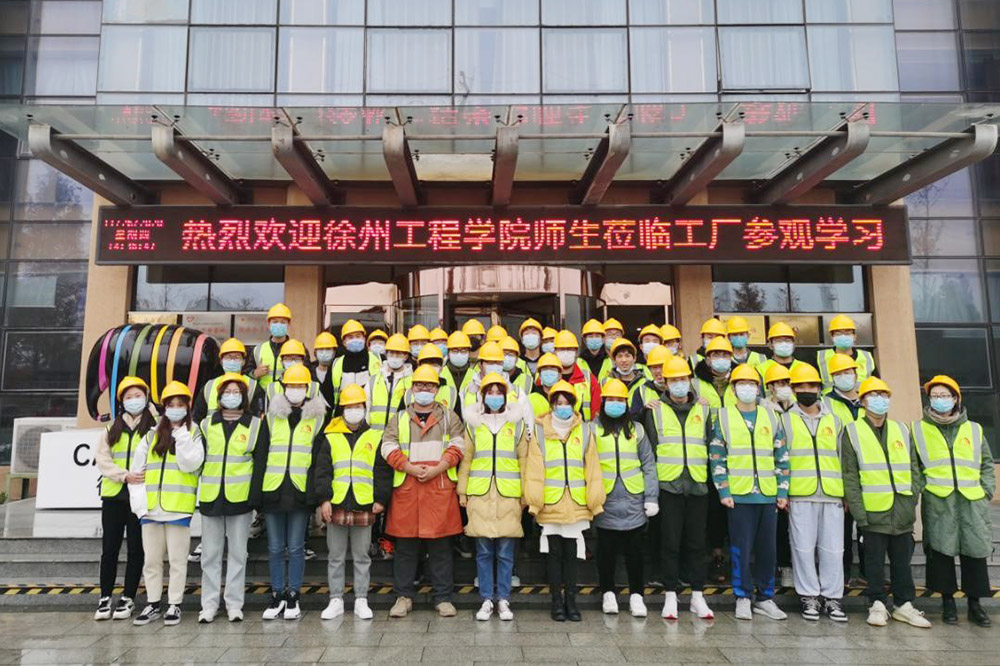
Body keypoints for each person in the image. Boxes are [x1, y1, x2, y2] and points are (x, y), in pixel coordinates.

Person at [841, 377, 929, 628]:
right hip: (872, 510)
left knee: (902, 562)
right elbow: (850, 475)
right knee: (874, 563)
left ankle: (904, 605)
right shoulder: (852, 431)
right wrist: (859, 512)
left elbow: (914, 466)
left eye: (883, 395)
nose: (879, 400)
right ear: (863, 401)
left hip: (902, 509)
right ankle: (877, 603)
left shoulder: (901, 429)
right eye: (873, 395)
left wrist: (912, 496)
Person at [382, 365, 465, 618]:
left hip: (438, 488)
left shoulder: (449, 417)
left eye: (429, 385)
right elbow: (387, 446)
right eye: (419, 385)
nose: (424, 389)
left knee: (441, 548)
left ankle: (443, 598)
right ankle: (403, 597)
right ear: (412, 388)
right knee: (405, 548)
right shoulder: (399, 418)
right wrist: (407, 467)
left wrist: (438, 468)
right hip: (408, 488)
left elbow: (458, 446)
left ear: (437, 389)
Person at [710, 364, 790, 622]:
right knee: (740, 550)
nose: (747, 388)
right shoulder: (723, 417)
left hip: (767, 494)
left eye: (752, 384)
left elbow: (781, 456)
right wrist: (723, 489)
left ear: (759, 389)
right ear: (733, 389)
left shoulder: (771, 417)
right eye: (741, 384)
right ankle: (743, 596)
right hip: (739, 495)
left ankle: (765, 597)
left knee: (768, 550)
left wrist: (782, 490)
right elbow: (717, 456)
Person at [913, 375, 994, 627]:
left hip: (971, 501)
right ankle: (947, 602)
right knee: (940, 552)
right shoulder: (918, 429)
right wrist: (925, 489)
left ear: (956, 398)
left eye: (945, 395)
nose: (940, 400)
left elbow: (987, 463)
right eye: (935, 396)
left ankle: (975, 604)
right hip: (939, 501)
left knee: (974, 552)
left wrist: (986, 490)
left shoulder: (974, 429)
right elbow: (914, 466)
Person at [524, 380, 606, 622]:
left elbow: (593, 469)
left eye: (566, 403)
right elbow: (534, 470)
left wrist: (595, 501)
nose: (562, 407)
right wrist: (534, 501)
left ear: (573, 404)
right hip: (550, 501)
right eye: (558, 403)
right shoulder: (539, 431)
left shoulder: (585, 431)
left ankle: (571, 600)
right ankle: (556, 601)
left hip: (576, 502)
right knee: (554, 553)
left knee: (572, 554)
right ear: (552, 405)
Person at [253, 363, 327, 621]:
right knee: (274, 547)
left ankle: (294, 595)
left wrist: (315, 493)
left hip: (300, 491)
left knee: (296, 547)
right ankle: (277, 594)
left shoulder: (317, 418)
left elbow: (318, 459)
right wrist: (257, 492)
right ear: (283, 388)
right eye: (291, 385)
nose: (295, 390)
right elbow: (261, 454)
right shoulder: (271, 417)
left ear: (308, 388)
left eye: (300, 386)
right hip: (273, 489)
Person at [313, 384, 392, 621]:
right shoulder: (330, 436)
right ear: (342, 409)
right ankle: (336, 599)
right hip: (336, 503)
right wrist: (324, 499)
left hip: (363, 502)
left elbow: (382, 471)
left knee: (362, 556)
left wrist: (381, 499)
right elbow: (322, 471)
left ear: (365, 408)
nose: (354, 410)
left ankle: (361, 599)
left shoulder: (375, 436)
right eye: (349, 406)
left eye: (358, 406)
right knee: (335, 556)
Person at [128, 381, 204, 626]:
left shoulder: (194, 433)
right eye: (171, 405)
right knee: (151, 561)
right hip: (150, 510)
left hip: (178, 509)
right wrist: (140, 507)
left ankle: (174, 604)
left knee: (178, 561)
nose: (175, 409)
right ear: (164, 407)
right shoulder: (151, 435)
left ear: (187, 407)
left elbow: (191, 464)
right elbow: (136, 472)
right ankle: (152, 604)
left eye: (180, 405)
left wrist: (181, 437)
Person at [644, 357, 714, 620]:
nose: (678, 384)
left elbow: (710, 443)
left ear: (690, 380)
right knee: (670, 543)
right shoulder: (654, 410)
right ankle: (670, 595)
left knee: (697, 544)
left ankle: (697, 595)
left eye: (682, 379)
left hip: (697, 485)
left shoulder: (703, 410)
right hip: (668, 486)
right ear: (665, 383)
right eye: (673, 380)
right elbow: (650, 451)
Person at [458, 373, 529, 621]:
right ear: (483, 395)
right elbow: (466, 458)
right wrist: (463, 491)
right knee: (484, 552)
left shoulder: (517, 424)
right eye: (490, 392)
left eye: (499, 392)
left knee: (506, 553)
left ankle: (504, 599)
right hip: (480, 493)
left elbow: (524, 459)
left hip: (509, 494)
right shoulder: (473, 424)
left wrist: (525, 493)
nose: (495, 396)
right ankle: (487, 599)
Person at [197, 373, 265, 624]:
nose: (232, 396)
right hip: (211, 497)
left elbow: (260, 463)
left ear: (244, 397)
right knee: (210, 555)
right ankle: (209, 605)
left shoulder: (255, 425)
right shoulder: (206, 424)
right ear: (219, 396)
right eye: (228, 392)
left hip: (240, 498)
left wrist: (255, 498)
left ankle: (234, 604)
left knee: (238, 554)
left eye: (237, 392)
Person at [783, 364, 847, 622]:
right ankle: (809, 596)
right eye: (800, 386)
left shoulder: (835, 420)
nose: (806, 390)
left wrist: (846, 494)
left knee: (834, 549)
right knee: (802, 548)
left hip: (832, 493)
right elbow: (782, 458)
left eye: (811, 385)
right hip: (799, 493)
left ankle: (832, 598)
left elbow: (844, 459)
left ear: (819, 388)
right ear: (793, 390)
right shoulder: (785, 420)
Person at [593, 379, 658, 618]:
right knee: (606, 552)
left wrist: (651, 497)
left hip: (634, 499)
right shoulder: (592, 429)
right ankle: (608, 593)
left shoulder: (637, 429)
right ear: (603, 402)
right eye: (611, 399)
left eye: (619, 400)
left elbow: (648, 464)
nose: (615, 404)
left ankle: (637, 595)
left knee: (635, 553)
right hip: (605, 500)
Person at [94, 376, 155, 622]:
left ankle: (128, 596)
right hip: (114, 496)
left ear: (146, 398)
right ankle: (105, 597)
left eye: (138, 395)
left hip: (140, 497)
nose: (133, 400)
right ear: (121, 401)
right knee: (109, 549)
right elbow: (102, 459)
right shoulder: (111, 429)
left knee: (136, 550)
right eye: (129, 397)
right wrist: (123, 475)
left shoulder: (154, 427)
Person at [823, 353, 866, 585]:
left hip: (869, 472)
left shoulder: (867, 400)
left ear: (856, 374)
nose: (844, 377)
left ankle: (868, 573)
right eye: (839, 374)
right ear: (832, 377)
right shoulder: (825, 402)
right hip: (840, 471)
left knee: (869, 528)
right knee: (843, 528)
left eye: (848, 372)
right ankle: (845, 572)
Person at [193, 338, 264, 422]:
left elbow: (258, 417)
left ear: (243, 361)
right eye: (228, 357)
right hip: (213, 430)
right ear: (221, 361)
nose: (232, 361)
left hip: (242, 430)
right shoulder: (209, 386)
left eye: (237, 357)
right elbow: (197, 417)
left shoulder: (253, 385)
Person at [817, 315, 877, 392]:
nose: (843, 336)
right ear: (832, 337)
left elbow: (876, 385)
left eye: (847, 333)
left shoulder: (867, 357)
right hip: (829, 399)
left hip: (860, 399)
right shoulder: (820, 358)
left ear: (855, 336)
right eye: (838, 334)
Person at [332, 320, 382, 409]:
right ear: (344, 342)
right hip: (345, 412)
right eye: (350, 337)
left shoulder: (378, 359)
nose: (355, 340)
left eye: (358, 336)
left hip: (370, 413)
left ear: (364, 339)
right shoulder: (336, 363)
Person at [368, 333, 412, 433]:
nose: (394, 357)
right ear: (386, 354)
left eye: (399, 354)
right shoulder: (373, 380)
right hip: (373, 437)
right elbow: (366, 411)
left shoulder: (412, 382)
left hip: (398, 437)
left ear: (406, 356)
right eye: (391, 353)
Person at [553, 330, 602, 421]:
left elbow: (596, 411)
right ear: (555, 352)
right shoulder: (548, 378)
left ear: (576, 352)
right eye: (562, 349)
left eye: (570, 349)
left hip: (583, 428)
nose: (566, 353)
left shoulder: (588, 378)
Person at [250, 303, 294, 391]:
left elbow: (307, 373)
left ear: (288, 324)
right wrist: (254, 373)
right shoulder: (257, 350)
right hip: (263, 396)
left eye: (283, 322)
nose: (279, 325)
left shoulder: (298, 348)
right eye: (275, 322)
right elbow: (246, 374)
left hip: (287, 395)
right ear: (268, 324)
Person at [692, 336, 737, 408]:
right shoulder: (695, 384)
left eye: (725, 355)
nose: (721, 359)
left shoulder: (738, 382)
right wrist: (694, 403)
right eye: (716, 355)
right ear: (708, 359)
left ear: (731, 359)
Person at [629, 345, 670, 417]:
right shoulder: (641, 391)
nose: (658, 371)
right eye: (654, 367)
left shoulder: (680, 388)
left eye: (661, 366)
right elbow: (634, 419)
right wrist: (645, 410)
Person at [529, 353, 562, 419]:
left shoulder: (566, 397)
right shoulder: (530, 399)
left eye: (552, 369)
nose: (549, 373)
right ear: (540, 376)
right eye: (545, 369)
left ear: (560, 375)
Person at [312, 332, 338, 411]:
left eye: (328, 349)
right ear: (315, 352)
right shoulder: (308, 373)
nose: (324, 352)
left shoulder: (339, 371)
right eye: (321, 349)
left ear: (334, 352)